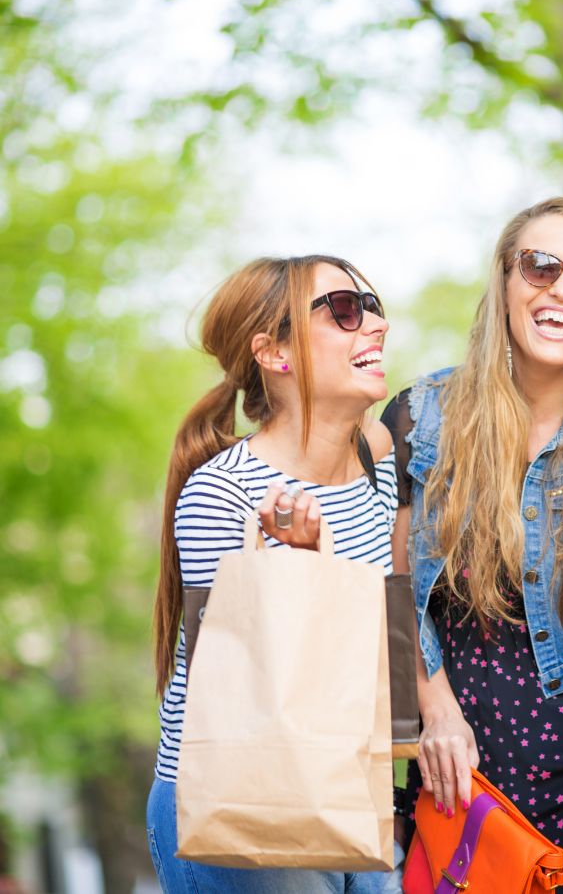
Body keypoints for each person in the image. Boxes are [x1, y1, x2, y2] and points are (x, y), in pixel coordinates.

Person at [384, 197, 563, 891]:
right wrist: (437, 710)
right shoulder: (421, 417)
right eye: (541, 267)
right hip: (459, 770)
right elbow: (390, 593)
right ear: (506, 281)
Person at [147, 255, 402, 893]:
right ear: (275, 353)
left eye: (371, 306)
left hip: (342, 789)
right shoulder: (222, 492)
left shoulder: (378, 456)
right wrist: (301, 569)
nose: (373, 324)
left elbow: (387, 636)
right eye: (344, 311)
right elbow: (228, 692)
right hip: (240, 801)